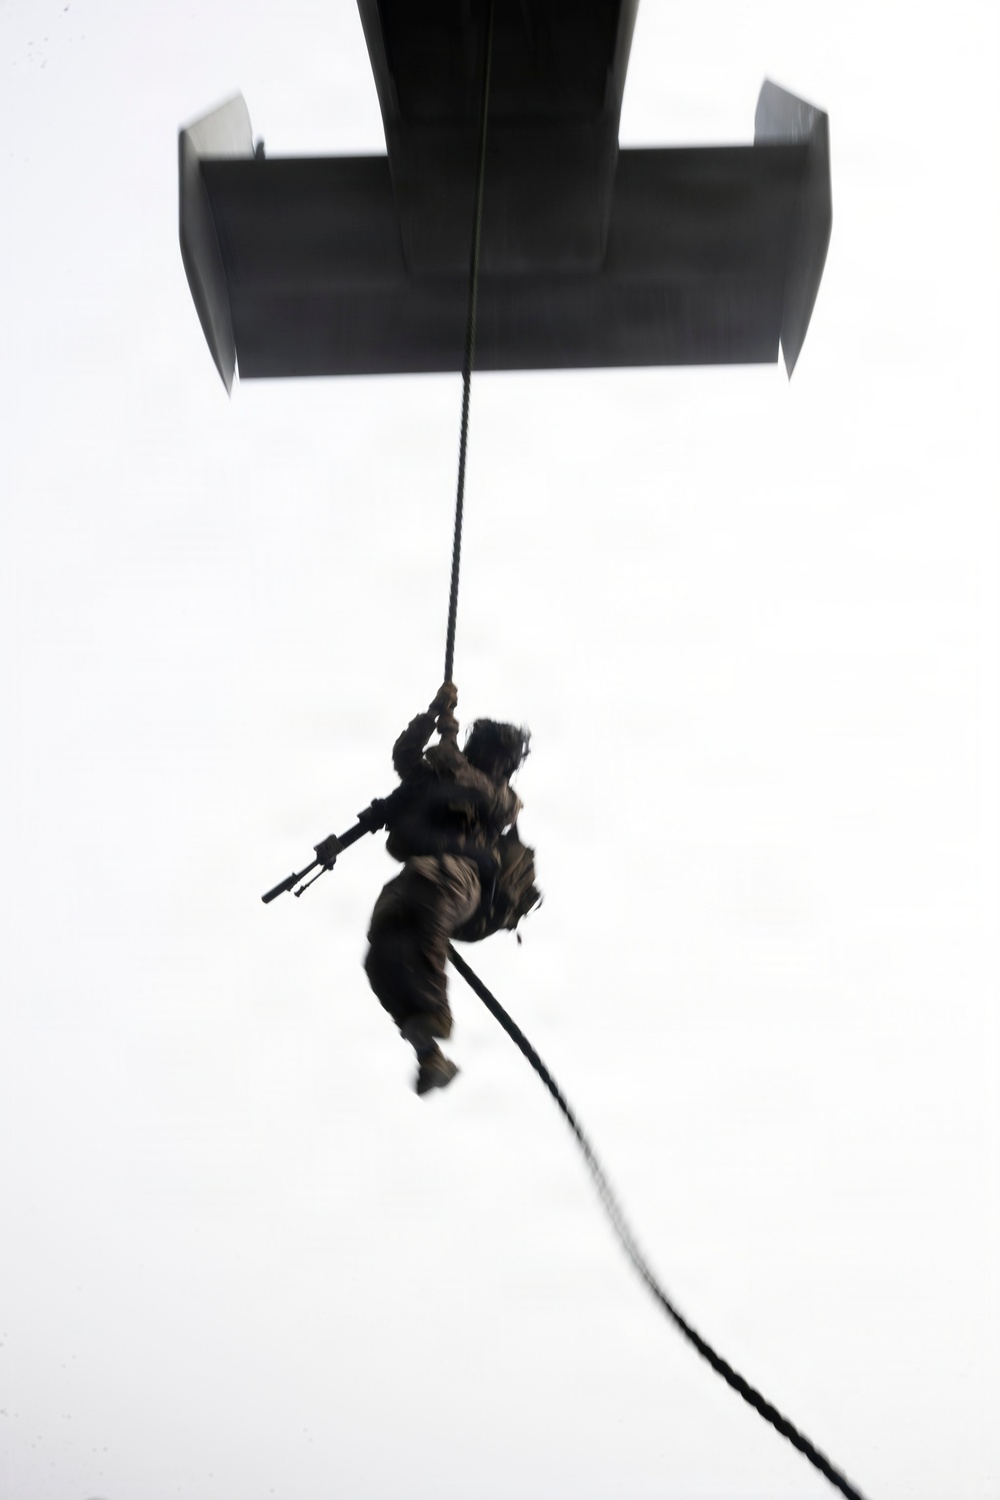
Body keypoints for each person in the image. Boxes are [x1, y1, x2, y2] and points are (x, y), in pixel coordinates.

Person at [363, 681, 535, 1095]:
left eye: (503, 761)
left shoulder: (502, 797)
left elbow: (475, 786)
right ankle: (430, 1057)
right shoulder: (443, 771)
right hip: (426, 875)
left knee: (428, 881)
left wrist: (450, 754)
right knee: (384, 939)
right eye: (492, 756)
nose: (498, 766)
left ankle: (436, 1011)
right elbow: (406, 758)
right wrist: (432, 715)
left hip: (467, 884)